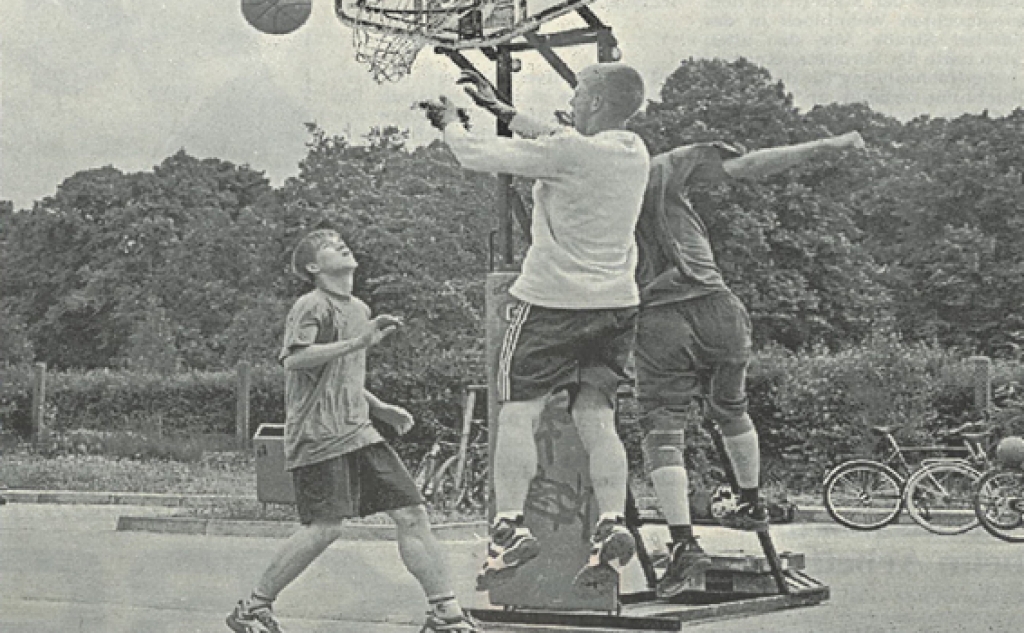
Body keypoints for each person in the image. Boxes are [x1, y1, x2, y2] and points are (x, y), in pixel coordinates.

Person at [422, 63, 650, 593]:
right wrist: (504, 111)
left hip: (552, 304)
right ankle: (611, 522)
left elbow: (475, 154)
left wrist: (451, 122)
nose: (571, 102)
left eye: (578, 93)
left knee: (518, 412)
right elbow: (558, 137)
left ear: (596, 102)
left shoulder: (569, 153)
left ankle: (509, 527)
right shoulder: (632, 151)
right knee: (597, 416)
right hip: (616, 306)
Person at [632, 131, 866, 598]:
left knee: (662, 427)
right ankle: (750, 500)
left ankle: (683, 544)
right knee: (732, 410)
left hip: (659, 313)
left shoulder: (592, 186)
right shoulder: (662, 167)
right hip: (718, 305)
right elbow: (750, 165)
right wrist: (826, 146)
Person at [226, 229, 480, 633]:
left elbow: (339, 374)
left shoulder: (359, 308)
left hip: (360, 431)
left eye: (340, 240)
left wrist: (380, 408)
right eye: (329, 245)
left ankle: (445, 616)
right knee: (325, 528)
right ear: (314, 266)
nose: (340, 244)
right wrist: (359, 342)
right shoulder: (312, 304)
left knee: (412, 512)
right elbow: (295, 360)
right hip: (319, 435)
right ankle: (253, 609)